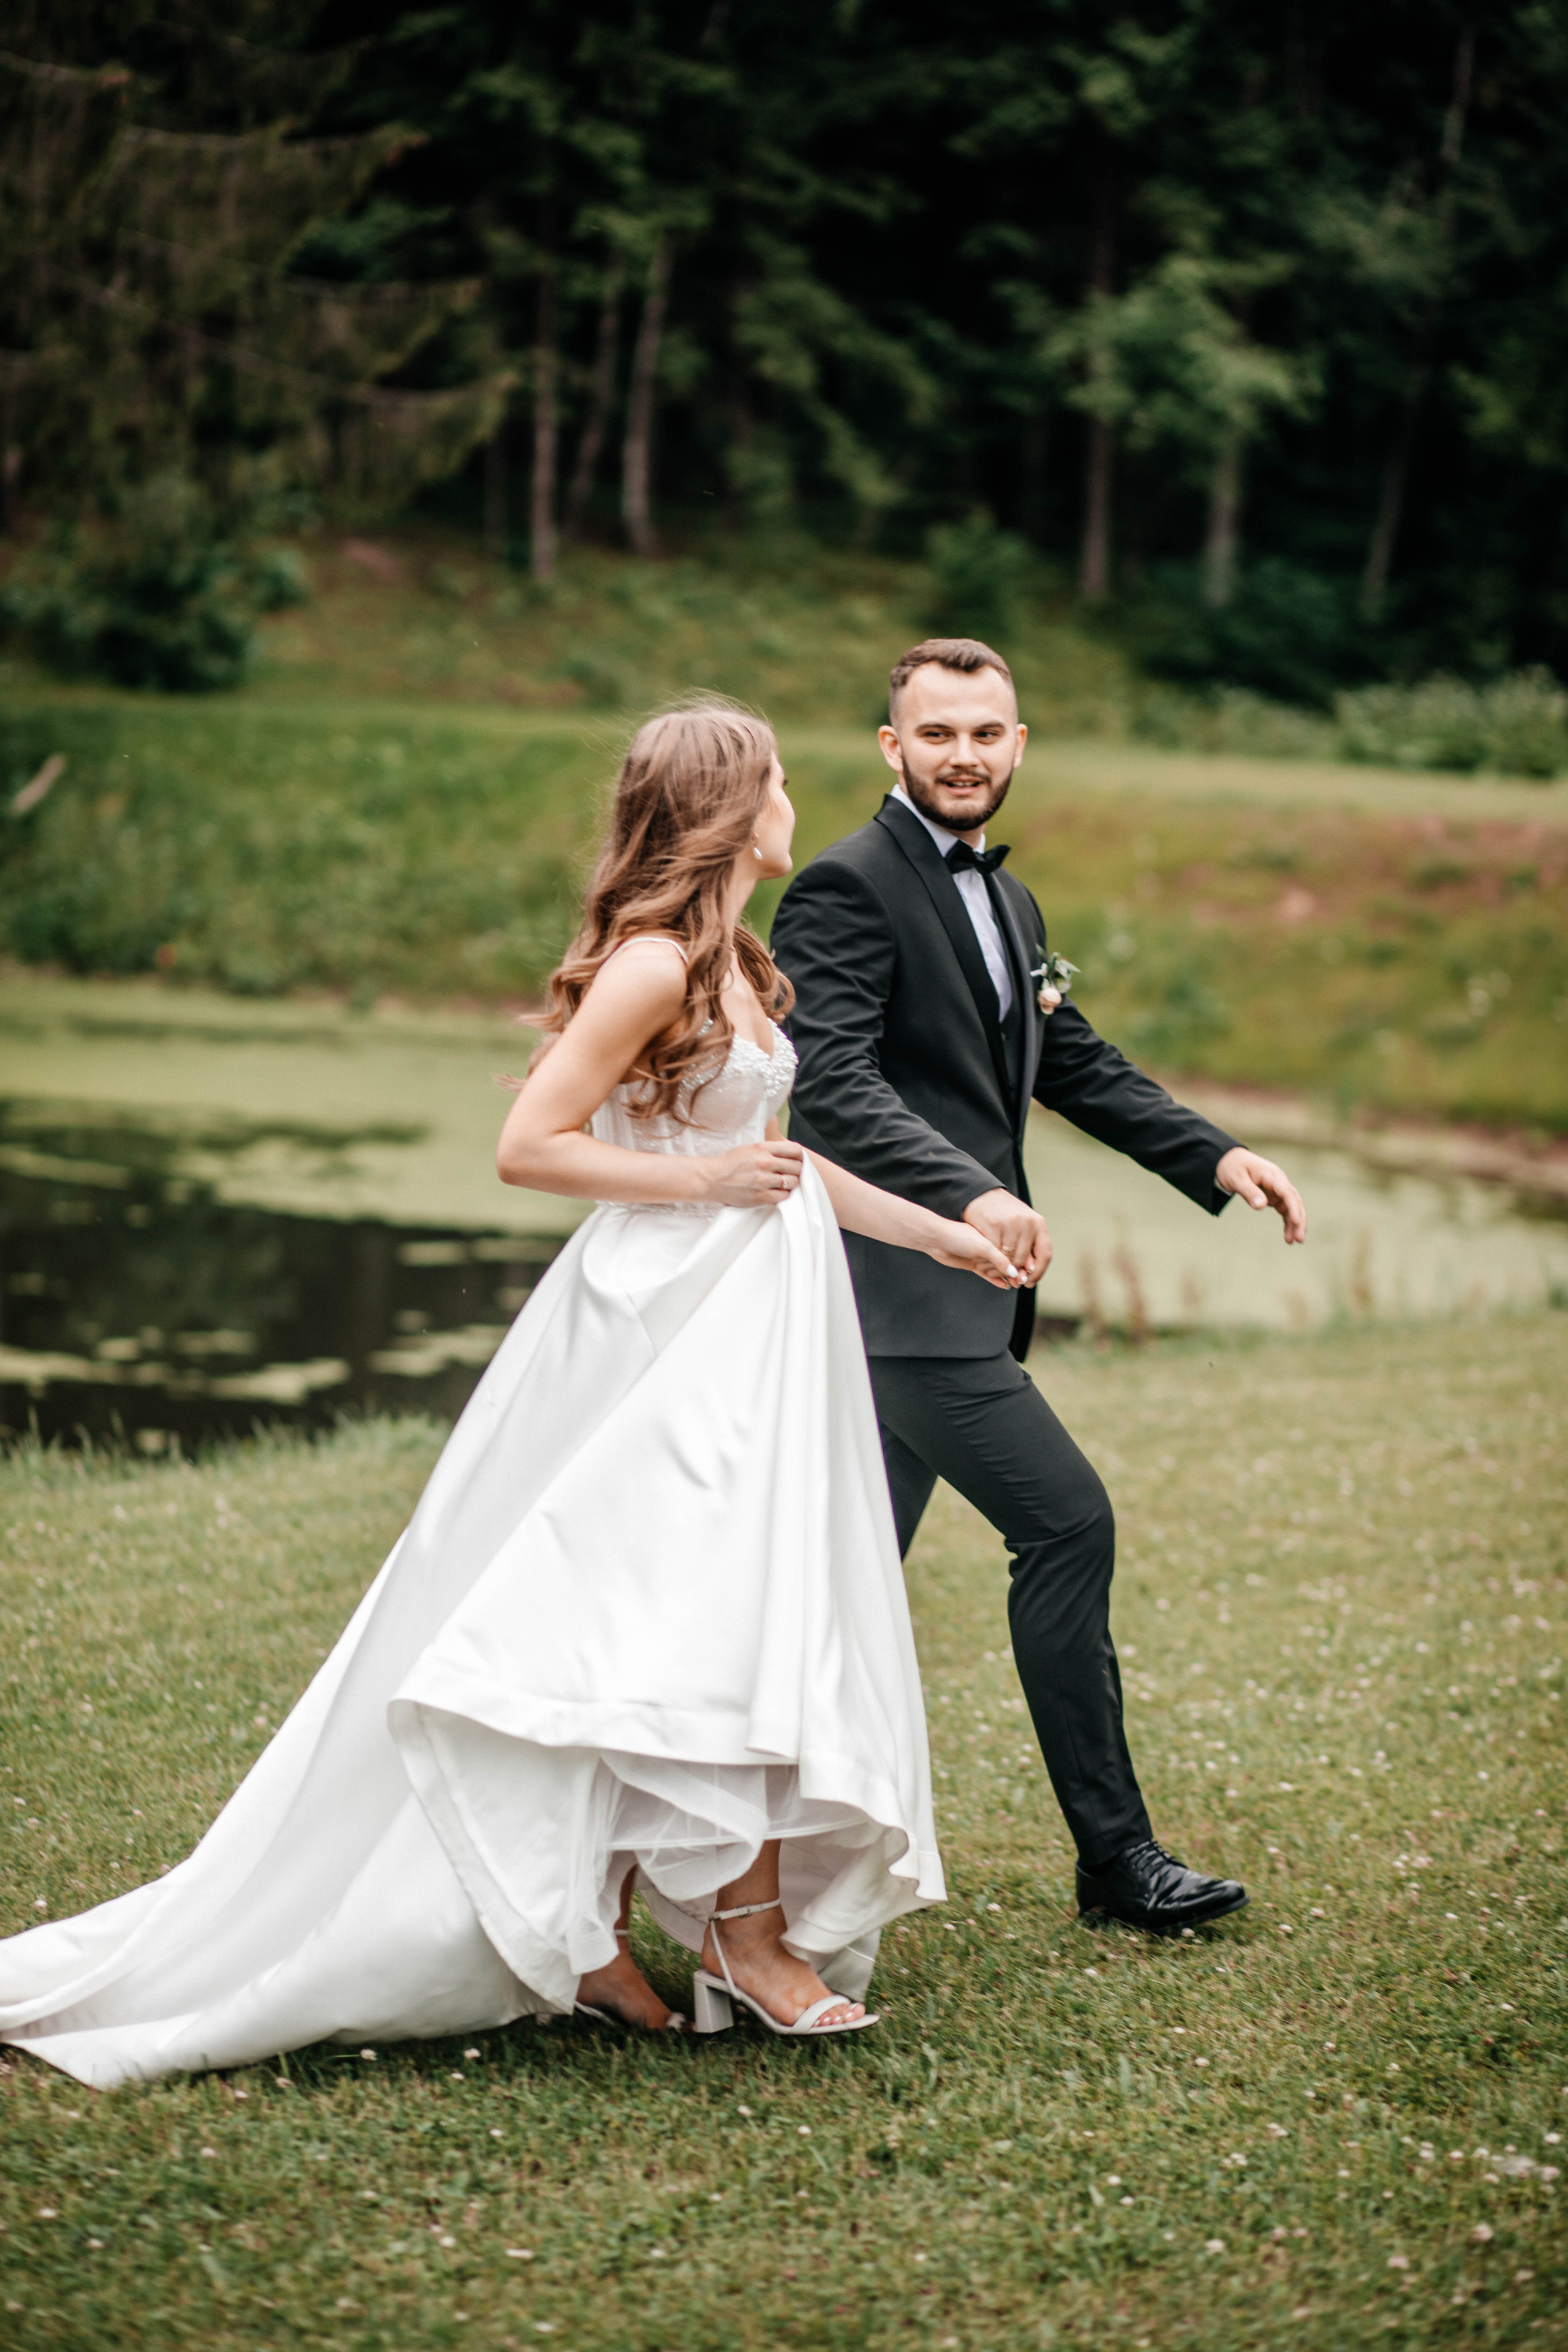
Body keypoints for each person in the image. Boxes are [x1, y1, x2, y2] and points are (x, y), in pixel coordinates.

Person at [0, 699, 1019, 2089]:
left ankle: (663, 1928)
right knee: (653, 1621)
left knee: (739, 1617)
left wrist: (938, 1229)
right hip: (656, 1331)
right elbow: (529, 1146)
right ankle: (681, 1930)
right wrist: (701, 1184)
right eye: (777, 777)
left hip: (756, 1323)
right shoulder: (651, 967)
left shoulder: (742, 965)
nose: (796, 797)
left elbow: (780, 1159)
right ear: (729, 806)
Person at [770, 638, 1308, 1937]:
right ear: (891, 747)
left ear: (1018, 745)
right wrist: (968, 1194)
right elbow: (829, 1084)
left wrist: (1215, 1152)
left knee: (829, 1590)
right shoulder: (841, 888)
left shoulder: (1008, 905)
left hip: (948, 1297)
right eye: (938, 732)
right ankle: (1115, 1862)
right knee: (1063, 1525)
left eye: (987, 732)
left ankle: (730, 1856)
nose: (965, 754)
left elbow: (1070, 1063)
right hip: (897, 1292)